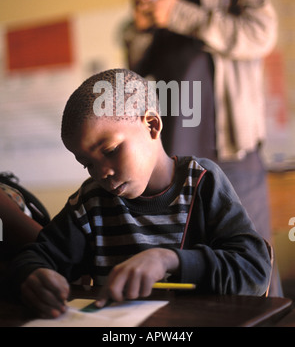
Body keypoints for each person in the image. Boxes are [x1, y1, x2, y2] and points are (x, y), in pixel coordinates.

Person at [11, 68, 271, 319]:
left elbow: (254, 270)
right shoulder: (90, 204)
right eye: (87, 164)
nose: (101, 173)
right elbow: (35, 255)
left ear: (152, 125)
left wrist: (169, 259)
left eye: (110, 150)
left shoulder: (203, 182)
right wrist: (32, 274)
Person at [122, 0, 279, 293]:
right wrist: (141, 28)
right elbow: (140, 68)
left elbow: (261, 34)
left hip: (231, 145)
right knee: (188, 258)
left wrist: (177, 14)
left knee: (252, 253)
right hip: (176, 149)